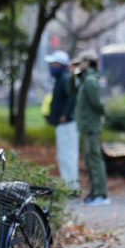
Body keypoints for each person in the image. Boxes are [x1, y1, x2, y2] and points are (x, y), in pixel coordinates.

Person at [70, 51, 109, 206]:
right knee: (89, 159)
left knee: (94, 159)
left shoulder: (91, 80)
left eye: (81, 62)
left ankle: (101, 193)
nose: (79, 65)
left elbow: (97, 103)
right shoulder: (85, 79)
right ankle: (94, 192)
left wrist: (101, 116)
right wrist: (74, 75)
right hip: (87, 126)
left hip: (91, 126)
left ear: (88, 62)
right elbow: (72, 92)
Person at [43, 50, 79, 191]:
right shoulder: (62, 79)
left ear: (60, 64)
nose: (51, 66)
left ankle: (71, 187)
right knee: (64, 156)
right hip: (63, 124)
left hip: (67, 124)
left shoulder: (64, 79)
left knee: (68, 156)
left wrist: (65, 114)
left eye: (53, 64)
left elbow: (72, 97)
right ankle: (68, 185)